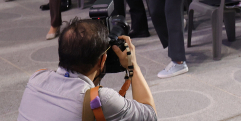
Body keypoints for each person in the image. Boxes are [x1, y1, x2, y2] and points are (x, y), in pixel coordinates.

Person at [17, 18, 157, 121]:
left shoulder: (37, 77)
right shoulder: (100, 99)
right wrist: (133, 65)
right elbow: (150, 115)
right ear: (102, 60)